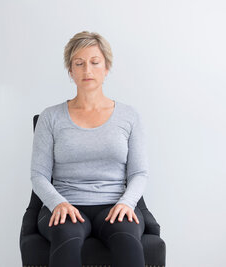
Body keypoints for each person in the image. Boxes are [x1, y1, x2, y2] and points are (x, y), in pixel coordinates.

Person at [30, 30, 150, 267]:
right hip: (67, 203)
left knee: (127, 238)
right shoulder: (50, 117)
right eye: (79, 63)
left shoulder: (129, 116)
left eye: (95, 63)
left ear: (106, 68)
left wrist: (126, 203)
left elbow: (139, 173)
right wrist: (58, 204)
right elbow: (38, 175)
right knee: (66, 235)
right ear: (70, 70)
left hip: (115, 205)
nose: (87, 70)